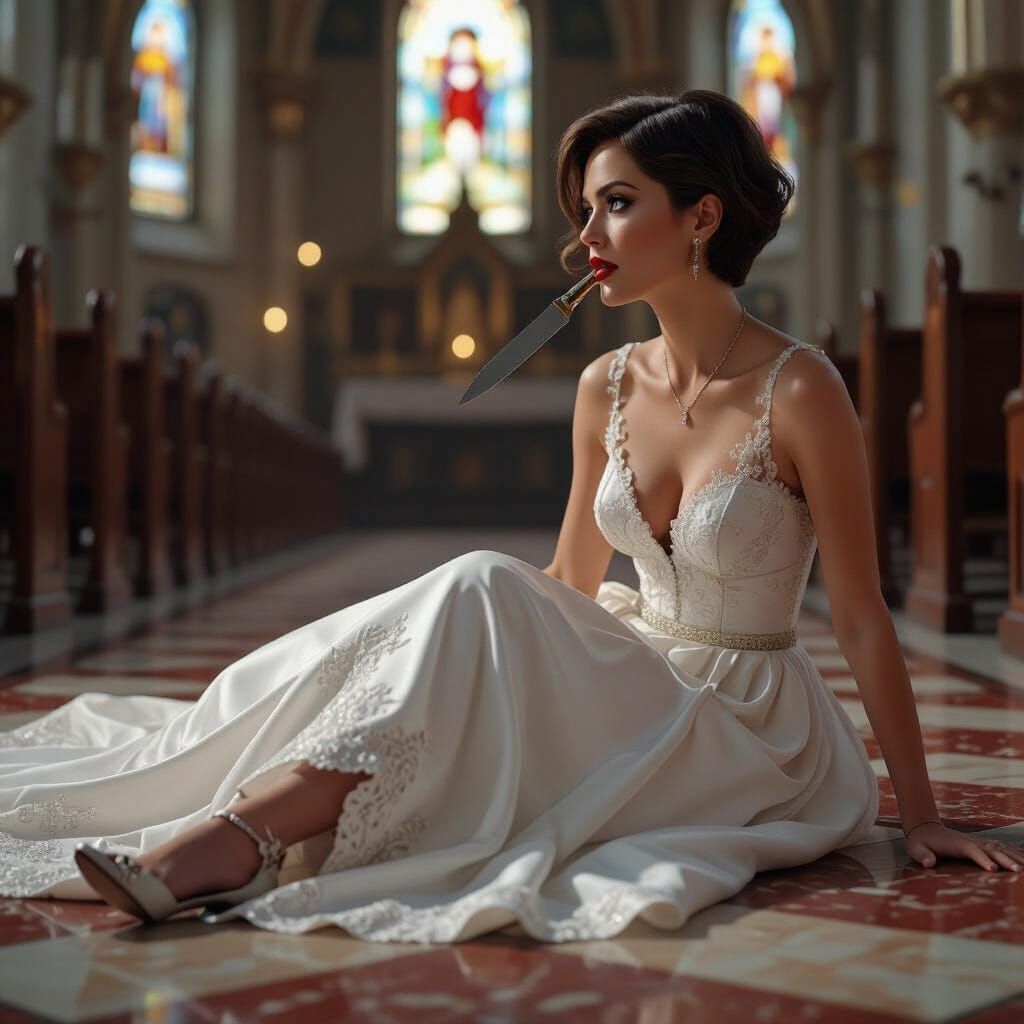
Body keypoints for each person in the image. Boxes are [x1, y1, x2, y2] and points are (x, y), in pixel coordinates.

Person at [2, 90, 1020, 946]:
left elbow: (857, 617)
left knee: (482, 581)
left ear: (701, 216)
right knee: (484, 590)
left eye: (616, 206)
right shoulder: (603, 384)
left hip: (750, 726)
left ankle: (229, 843)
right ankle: (244, 825)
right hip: (634, 670)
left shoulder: (801, 390)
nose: (585, 241)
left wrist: (919, 812)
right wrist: (487, 672)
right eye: (585, 210)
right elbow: (570, 582)